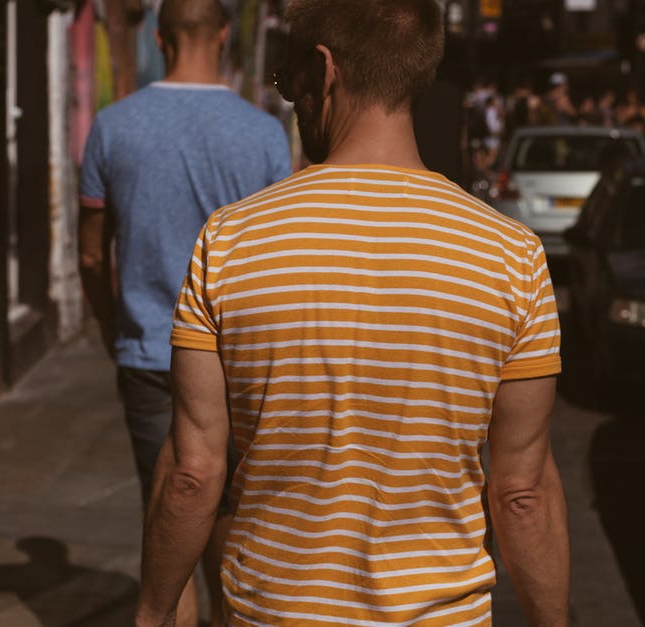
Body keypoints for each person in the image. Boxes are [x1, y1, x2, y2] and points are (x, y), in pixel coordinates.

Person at [135, 0, 570, 625]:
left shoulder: (229, 241)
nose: (290, 98)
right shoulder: (512, 256)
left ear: (324, 70)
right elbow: (521, 492)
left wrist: (152, 612)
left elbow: (192, 471)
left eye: (288, 82)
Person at [76, 0, 291, 625]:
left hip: (150, 352)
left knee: (166, 516)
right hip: (238, 364)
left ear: (159, 37)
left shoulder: (114, 127)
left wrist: (112, 325)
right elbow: (277, 258)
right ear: (224, 36)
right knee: (231, 516)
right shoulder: (264, 133)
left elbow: (92, 257)